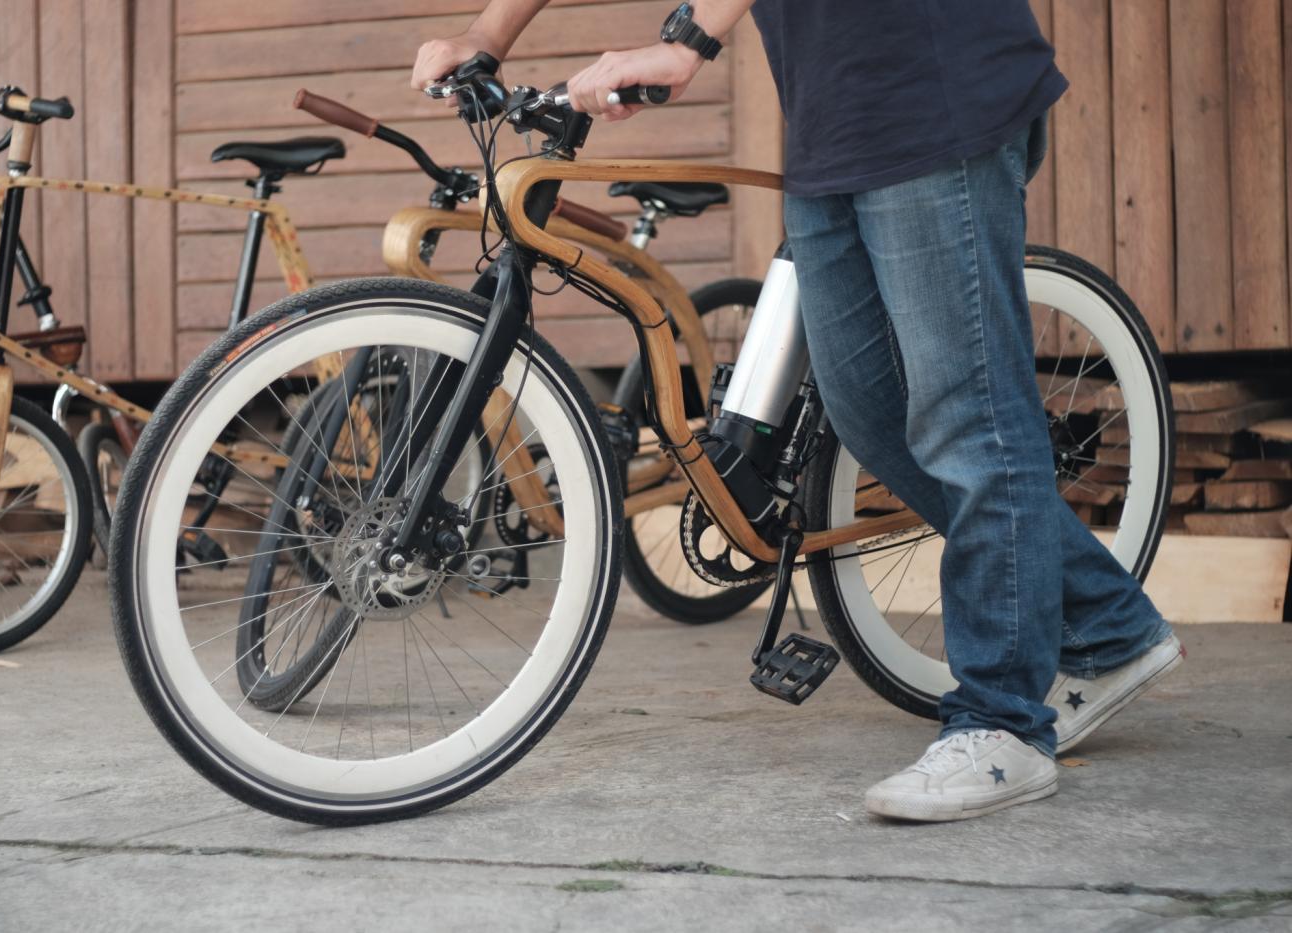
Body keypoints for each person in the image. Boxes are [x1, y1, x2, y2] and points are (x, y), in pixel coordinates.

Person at [411, 1, 1183, 822]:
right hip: (834, 120)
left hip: (933, 96)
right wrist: (489, 35)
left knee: (970, 418)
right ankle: (1109, 625)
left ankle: (1003, 724)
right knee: (868, 409)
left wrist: (687, 43)